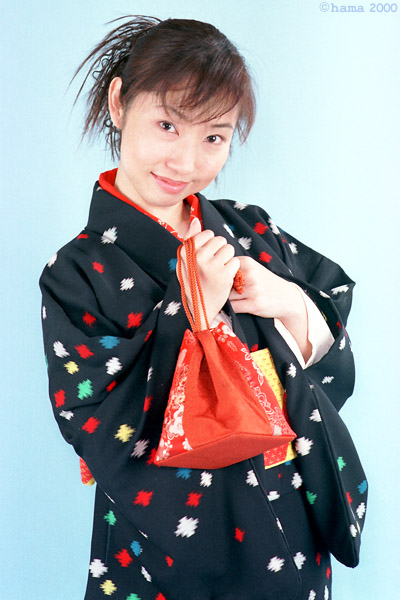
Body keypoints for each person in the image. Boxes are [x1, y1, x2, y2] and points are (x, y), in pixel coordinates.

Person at [39, 15, 367, 600]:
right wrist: (188, 310)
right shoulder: (76, 273)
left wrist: (289, 301)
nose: (186, 162)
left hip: (289, 519)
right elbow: (92, 421)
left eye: (214, 137)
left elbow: (330, 353)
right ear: (119, 103)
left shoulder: (251, 229)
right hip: (165, 544)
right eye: (167, 125)